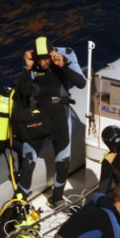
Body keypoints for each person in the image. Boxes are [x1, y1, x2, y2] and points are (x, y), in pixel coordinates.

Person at [14, 36, 86, 206]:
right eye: (40, 59)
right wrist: (27, 68)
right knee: (28, 161)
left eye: (46, 58)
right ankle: (20, 202)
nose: (43, 62)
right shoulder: (33, 62)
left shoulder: (65, 55)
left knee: (62, 161)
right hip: (37, 116)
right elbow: (24, 91)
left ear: (52, 53)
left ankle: (57, 198)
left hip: (59, 115)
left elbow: (81, 83)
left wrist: (64, 66)